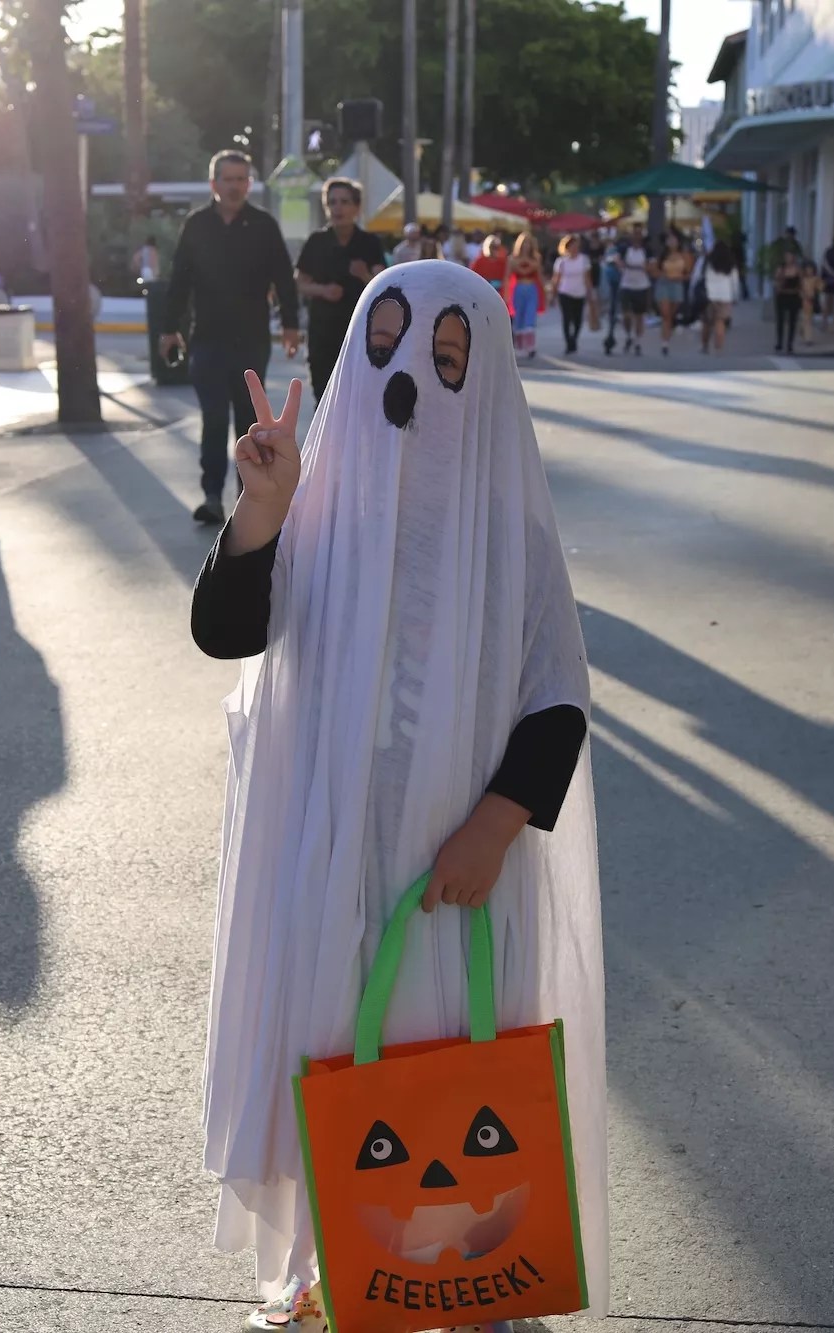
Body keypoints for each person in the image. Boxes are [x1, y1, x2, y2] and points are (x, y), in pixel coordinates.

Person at [190, 259, 607, 1333]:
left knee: (439, 1070)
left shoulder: (508, 534)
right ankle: (338, 1265)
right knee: (335, 1054)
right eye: (381, 349)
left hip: (451, 873)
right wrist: (263, 509)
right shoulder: (316, 508)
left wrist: (493, 825)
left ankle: (461, 1284)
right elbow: (228, 632)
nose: (406, 379)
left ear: (487, 377)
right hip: (326, 855)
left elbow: (555, 698)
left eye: (445, 356)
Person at [161, 149, 301, 527]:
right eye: (229, 179)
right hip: (206, 339)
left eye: (242, 179)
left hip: (251, 339)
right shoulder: (196, 225)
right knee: (214, 416)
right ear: (214, 184)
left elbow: (284, 280)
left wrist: (290, 325)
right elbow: (179, 281)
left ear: (249, 184)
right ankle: (211, 495)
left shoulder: (263, 226)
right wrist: (168, 328)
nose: (236, 186)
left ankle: (246, 497)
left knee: (248, 423)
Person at [294, 176, 385, 400]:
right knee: (324, 399)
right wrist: (322, 290)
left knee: (358, 402)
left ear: (356, 207)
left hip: (361, 334)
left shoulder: (369, 242)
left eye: (344, 202)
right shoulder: (316, 241)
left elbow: (385, 285)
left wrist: (364, 275)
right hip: (322, 333)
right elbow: (299, 281)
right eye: (332, 202)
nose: (338, 208)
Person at [651, 227, 694, 357]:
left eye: (673, 239)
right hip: (664, 284)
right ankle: (665, 343)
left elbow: (689, 274)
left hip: (677, 284)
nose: (671, 242)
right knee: (665, 314)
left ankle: (669, 330)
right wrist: (662, 274)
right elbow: (654, 271)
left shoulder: (685, 255)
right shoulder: (662, 255)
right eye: (669, 239)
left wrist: (679, 277)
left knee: (671, 314)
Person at [550, 233, 593, 355]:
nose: (574, 248)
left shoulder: (584, 260)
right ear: (567, 247)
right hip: (565, 292)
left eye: (576, 245)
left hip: (580, 293)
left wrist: (590, 294)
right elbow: (556, 279)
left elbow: (587, 278)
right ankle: (569, 343)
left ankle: (574, 338)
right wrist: (553, 295)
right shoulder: (561, 262)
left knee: (578, 320)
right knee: (567, 319)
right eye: (572, 246)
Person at [506, 231, 546, 359]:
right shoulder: (513, 258)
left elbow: (539, 275)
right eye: (524, 243)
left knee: (530, 316)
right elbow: (508, 276)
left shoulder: (536, 258)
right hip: (518, 288)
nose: (526, 246)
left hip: (531, 288)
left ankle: (530, 346)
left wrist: (545, 292)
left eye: (528, 243)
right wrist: (506, 294)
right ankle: (519, 346)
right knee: (518, 316)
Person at [617, 224, 653, 355]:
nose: (637, 237)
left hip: (642, 286)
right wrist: (625, 265)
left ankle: (638, 341)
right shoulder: (624, 249)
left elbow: (650, 267)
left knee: (639, 316)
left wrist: (641, 267)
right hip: (626, 285)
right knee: (626, 314)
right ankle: (628, 335)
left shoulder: (647, 250)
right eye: (635, 234)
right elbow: (618, 262)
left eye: (639, 234)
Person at [701, 238, 739, 354]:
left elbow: (702, 277)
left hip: (709, 296)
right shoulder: (731, 265)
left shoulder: (709, 262)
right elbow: (735, 282)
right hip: (725, 296)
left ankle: (705, 346)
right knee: (720, 322)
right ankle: (719, 347)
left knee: (707, 322)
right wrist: (735, 297)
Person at [773, 247, 805, 354]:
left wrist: (802, 293)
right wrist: (779, 283)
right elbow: (776, 282)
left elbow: (801, 282)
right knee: (780, 320)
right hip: (782, 296)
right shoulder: (781, 269)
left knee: (792, 321)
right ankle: (779, 342)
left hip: (794, 296)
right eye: (786, 256)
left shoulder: (797, 269)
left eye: (790, 256)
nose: (788, 258)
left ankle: (790, 344)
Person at [601, 235, 626, 354]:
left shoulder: (612, 251)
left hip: (616, 287)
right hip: (614, 287)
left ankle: (611, 337)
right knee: (613, 312)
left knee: (614, 312)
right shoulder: (613, 252)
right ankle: (610, 337)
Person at [469, 232, 509, 300]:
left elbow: (506, 279)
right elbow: (472, 276)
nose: (493, 249)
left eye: (496, 247)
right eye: (491, 246)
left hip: (498, 292)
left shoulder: (503, 262)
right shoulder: (479, 261)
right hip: (483, 290)